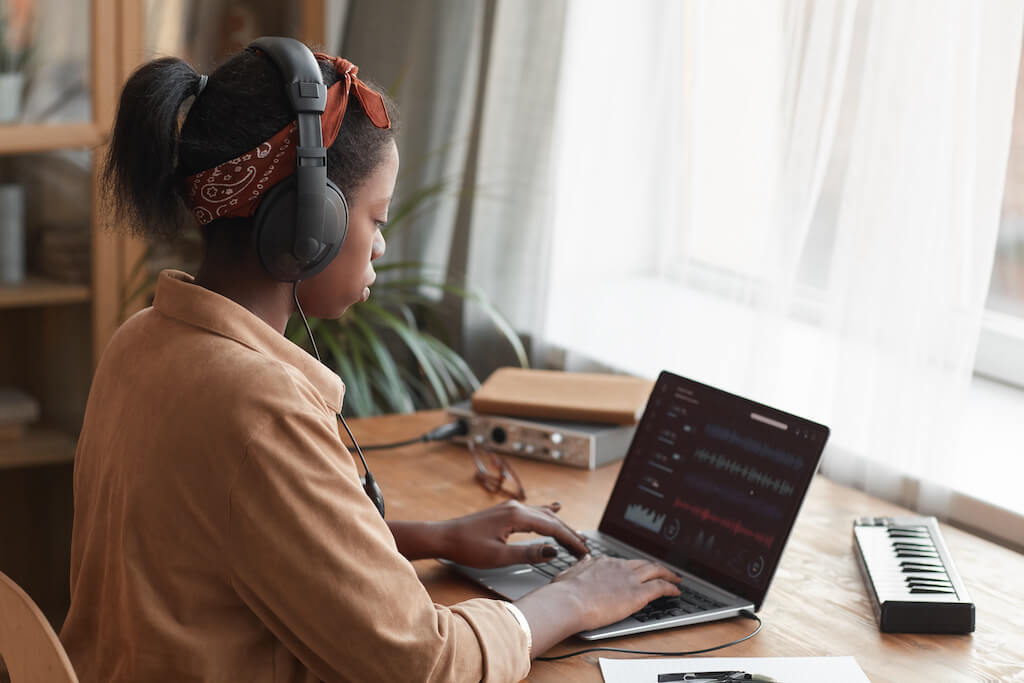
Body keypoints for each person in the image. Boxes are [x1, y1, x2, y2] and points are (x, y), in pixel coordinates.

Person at [59, 37, 681, 682]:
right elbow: (422, 665)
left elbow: (231, 540)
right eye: (376, 218)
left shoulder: (141, 340)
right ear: (308, 225)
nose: (381, 245)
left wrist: (429, 537)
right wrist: (574, 599)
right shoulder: (255, 405)